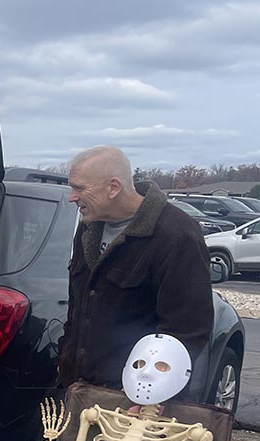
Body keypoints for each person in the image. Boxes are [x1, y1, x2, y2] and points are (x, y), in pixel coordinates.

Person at [58, 146, 213, 392]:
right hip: (79, 389)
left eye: (79, 188)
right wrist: (66, 359)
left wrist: (153, 395)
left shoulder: (176, 235)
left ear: (113, 187)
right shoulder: (89, 229)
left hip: (134, 400)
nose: (72, 197)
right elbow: (77, 307)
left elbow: (187, 330)